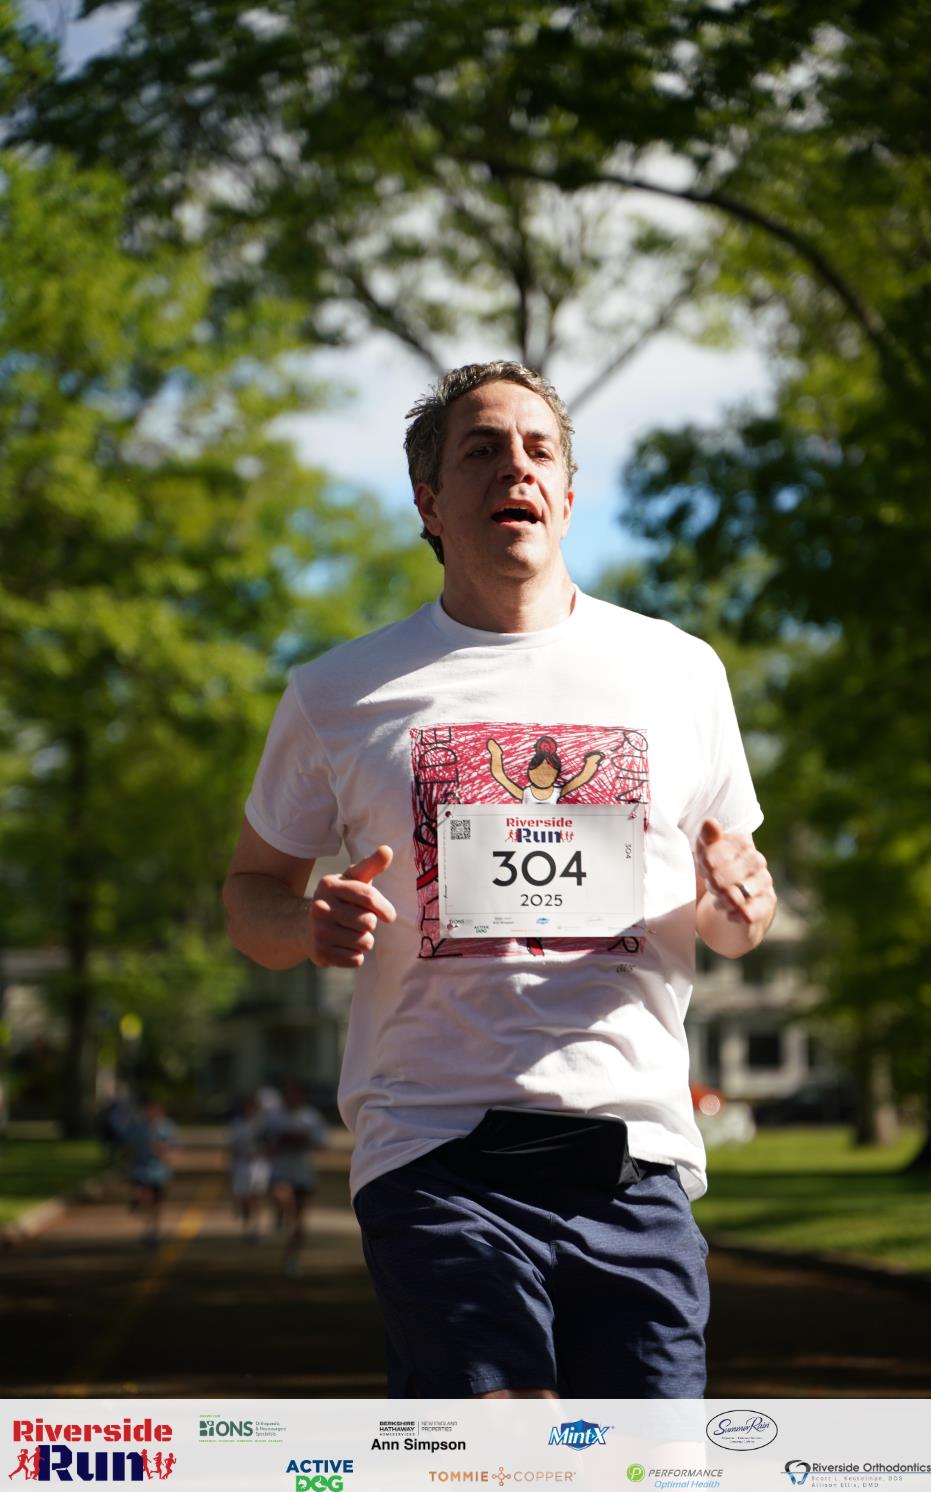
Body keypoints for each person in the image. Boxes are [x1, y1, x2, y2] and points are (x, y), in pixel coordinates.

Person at [223, 359, 777, 1397]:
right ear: (429, 502)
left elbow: (733, 911)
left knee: (648, 1459)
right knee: (502, 1444)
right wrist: (305, 925)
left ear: (567, 493)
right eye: (480, 449)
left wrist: (739, 904)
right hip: (435, 1146)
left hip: (635, 1147)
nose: (514, 466)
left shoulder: (679, 671)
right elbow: (250, 892)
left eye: (538, 449)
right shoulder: (339, 692)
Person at [257, 1081, 326, 1276]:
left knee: (299, 1223)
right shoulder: (273, 1118)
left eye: (296, 1094)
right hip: (280, 1172)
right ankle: (280, 1212)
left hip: (302, 1174)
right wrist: (276, 1142)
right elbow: (259, 1139)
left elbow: (322, 1143)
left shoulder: (310, 1117)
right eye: (289, 1094)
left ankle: (292, 1257)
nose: (292, 1098)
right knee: (284, 1197)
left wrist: (304, 1140)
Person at [125, 1097, 176, 1248]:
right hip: (140, 1169)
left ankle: (152, 1231)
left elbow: (173, 1148)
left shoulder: (166, 1127)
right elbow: (129, 1146)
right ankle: (138, 1204)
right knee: (142, 1195)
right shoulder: (137, 1126)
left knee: (155, 1204)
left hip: (158, 1172)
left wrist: (163, 1150)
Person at [228, 1094, 270, 1240]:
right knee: (243, 1195)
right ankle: (246, 1218)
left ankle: (254, 1226)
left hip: (259, 1164)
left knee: (255, 1196)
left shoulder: (263, 1124)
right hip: (242, 1163)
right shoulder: (237, 1124)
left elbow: (271, 1143)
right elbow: (232, 1146)